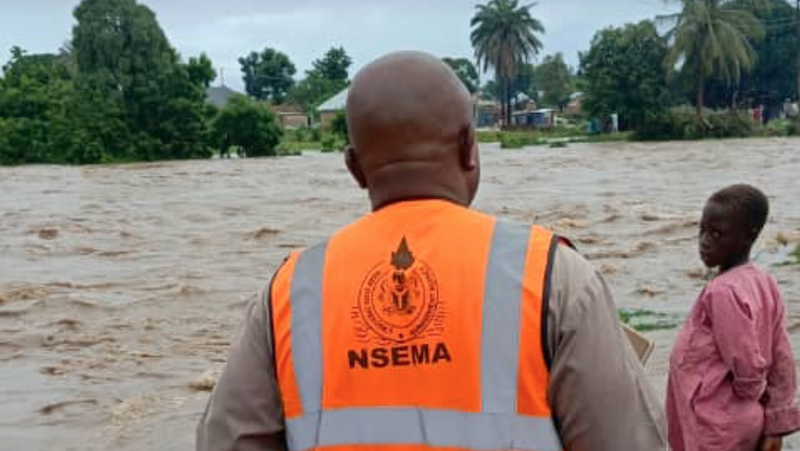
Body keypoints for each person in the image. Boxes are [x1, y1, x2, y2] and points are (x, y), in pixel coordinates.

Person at [196, 51, 666, 451]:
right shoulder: (553, 276)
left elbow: (226, 440)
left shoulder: (288, 292)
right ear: (468, 148)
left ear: (355, 169)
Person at [667, 185, 800, 451]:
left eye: (717, 233)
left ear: (750, 235)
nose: (705, 241)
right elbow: (782, 356)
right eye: (702, 230)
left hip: (717, 424)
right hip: (741, 422)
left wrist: (751, 392)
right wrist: (776, 420)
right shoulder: (764, 282)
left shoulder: (722, 292)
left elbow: (747, 366)